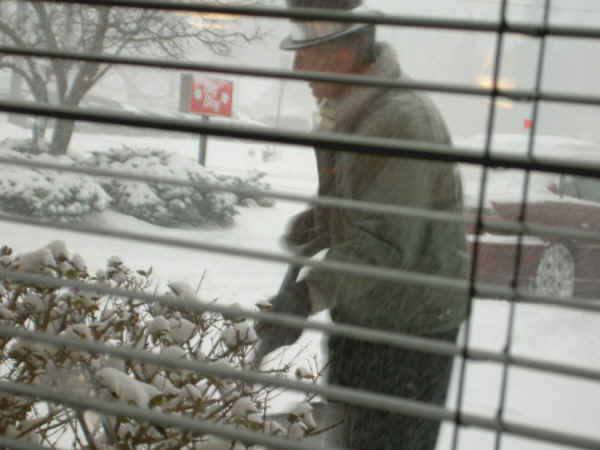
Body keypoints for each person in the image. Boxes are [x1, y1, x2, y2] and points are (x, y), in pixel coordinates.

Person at [254, 1, 469, 448]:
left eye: (306, 52)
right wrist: (320, 221)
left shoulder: (399, 122)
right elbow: (364, 201)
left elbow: (385, 242)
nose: (296, 66)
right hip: (364, 316)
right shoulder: (353, 112)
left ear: (344, 52)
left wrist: (307, 294)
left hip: (407, 334)